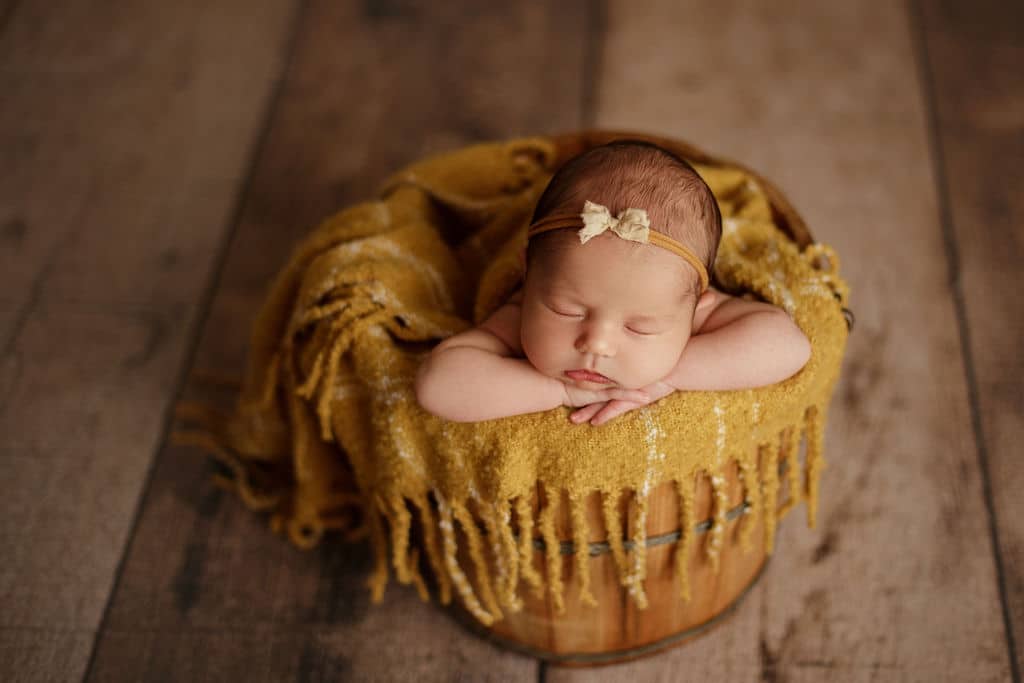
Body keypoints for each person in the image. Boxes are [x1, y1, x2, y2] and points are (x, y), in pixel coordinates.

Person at [414, 139, 811, 426]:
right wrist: (560, 392)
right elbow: (439, 385)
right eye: (567, 310)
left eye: (640, 327)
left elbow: (788, 345)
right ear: (528, 274)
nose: (597, 344)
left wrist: (669, 376)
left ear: (697, 304)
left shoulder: (685, 306)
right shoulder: (521, 312)